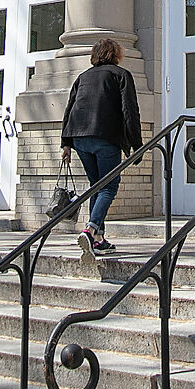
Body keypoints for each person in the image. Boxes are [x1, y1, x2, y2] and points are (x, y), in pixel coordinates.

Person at [60, 37, 142, 254]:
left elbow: (70, 108)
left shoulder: (83, 77)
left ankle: (98, 240)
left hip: (79, 138)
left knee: (96, 185)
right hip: (105, 137)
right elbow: (130, 111)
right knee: (109, 186)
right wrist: (137, 144)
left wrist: (66, 143)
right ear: (115, 54)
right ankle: (90, 230)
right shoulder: (121, 75)